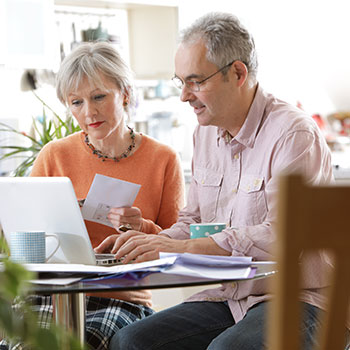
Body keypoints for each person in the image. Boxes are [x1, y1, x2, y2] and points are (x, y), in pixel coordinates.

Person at [95, 12, 349, 350]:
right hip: (232, 296)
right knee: (131, 341)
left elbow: (285, 235)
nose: (184, 95)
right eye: (180, 81)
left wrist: (181, 247)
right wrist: (149, 244)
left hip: (303, 298)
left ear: (238, 73)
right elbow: (194, 222)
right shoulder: (204, 135)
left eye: (195, 81)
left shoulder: (293, 134)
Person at [28, 41, 185, 350]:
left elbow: (178, 249)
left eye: (99, 96)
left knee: (79, 342)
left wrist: (143, 228)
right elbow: (25, 236)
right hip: (54, 294)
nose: (89, 112)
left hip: (122, 299)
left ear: (125, 94)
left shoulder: (162, 158)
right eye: (76, 102)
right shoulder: (54, 155)